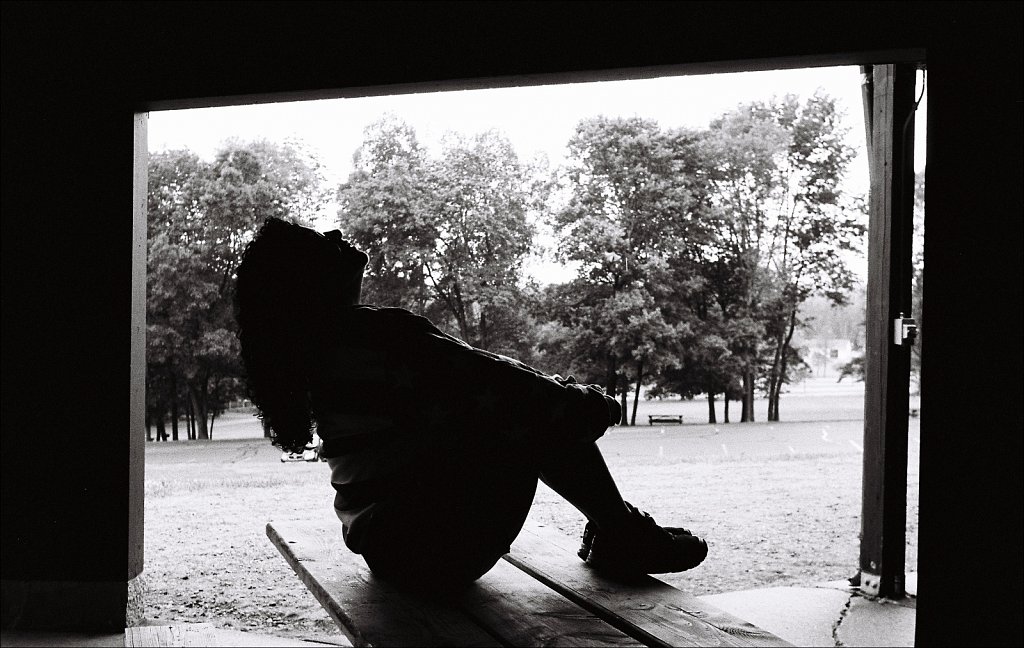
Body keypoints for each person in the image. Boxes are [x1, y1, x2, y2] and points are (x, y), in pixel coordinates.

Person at [235, 217, 708, 592]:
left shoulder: (326, 355)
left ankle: (619, 530)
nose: (336, 235)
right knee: (526, 414)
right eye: (320, 241)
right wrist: (592, 404)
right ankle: (622, 535)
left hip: (393, 551)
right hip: (435, 547)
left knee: (514, 409)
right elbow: (502, 384)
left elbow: (479, 382)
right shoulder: (373, 337)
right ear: (307, 281)